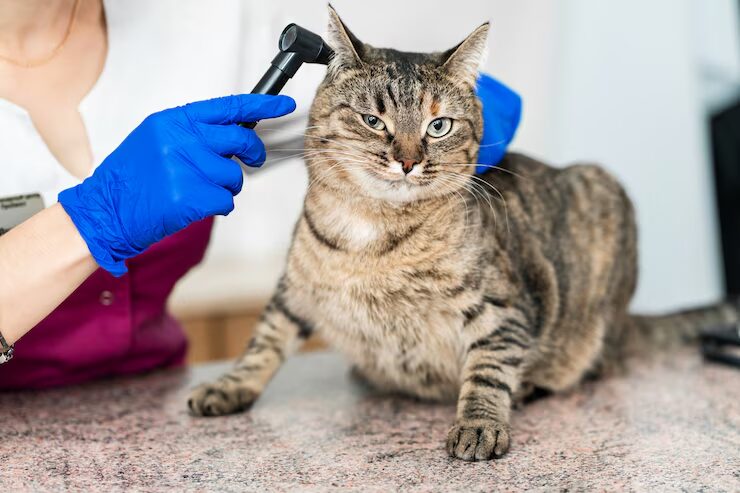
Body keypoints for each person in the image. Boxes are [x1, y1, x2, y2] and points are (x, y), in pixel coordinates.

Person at [0, 0, 520, 388]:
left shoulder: (210, 19)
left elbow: (364, 107)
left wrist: (458, 128)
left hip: (155, 404)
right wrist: (93, 219)